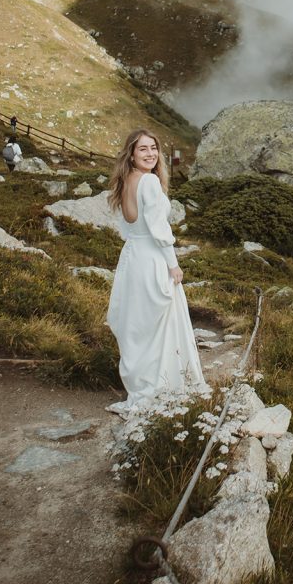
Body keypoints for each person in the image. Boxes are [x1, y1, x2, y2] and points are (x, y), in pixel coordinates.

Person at [105, 128, 209, 417]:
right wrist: (173, 265)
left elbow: (128, 228)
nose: (150, 154)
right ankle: (162, 386)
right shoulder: (149, 182)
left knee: (137, 324)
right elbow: (160, 230)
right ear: (131, 154)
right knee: (160, 326)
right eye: (143, 149)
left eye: (153, 148)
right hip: (151, 258)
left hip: (132, 258)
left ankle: (140, 386)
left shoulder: (125, 181)